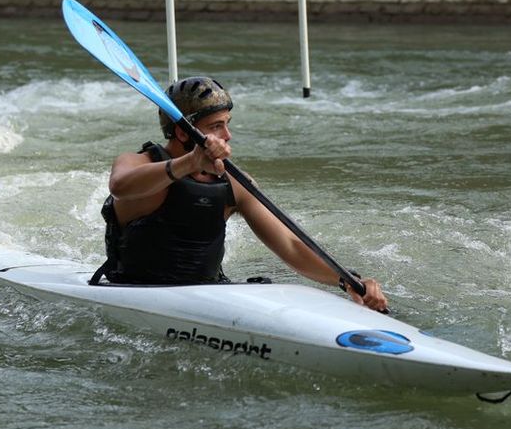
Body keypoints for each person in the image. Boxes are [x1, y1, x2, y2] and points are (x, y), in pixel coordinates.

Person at [96, 76, 388, 312]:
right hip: (131, 290)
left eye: (227, 124)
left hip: (207, 295)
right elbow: (120, 187)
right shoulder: (138, 163)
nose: (227, 135)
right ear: (183, 133)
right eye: (216, 126)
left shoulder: (234, 184)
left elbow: (291, 245)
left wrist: (347, 280)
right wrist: (190, 163)